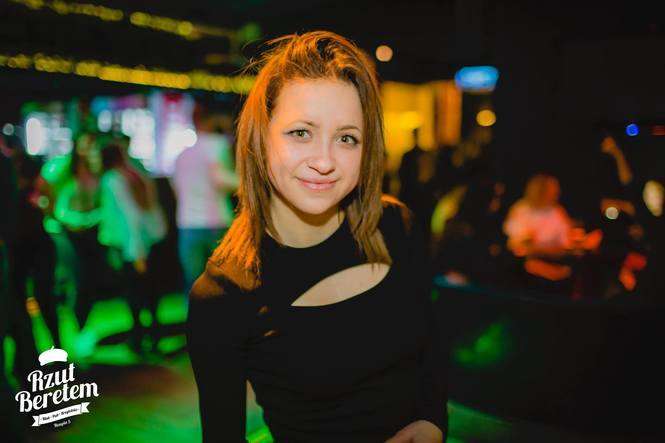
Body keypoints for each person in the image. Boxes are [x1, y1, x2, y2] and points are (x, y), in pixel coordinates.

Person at [186, 31, 448, 443]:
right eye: (301, 133)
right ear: (260, 138)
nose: (325, 161)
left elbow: (431, 344)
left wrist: (432, 421)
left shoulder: (397, 227)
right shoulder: (223, 295)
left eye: (346, 138)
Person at [98, 143, 167, 355]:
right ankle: (153, 336)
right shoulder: (136, 174)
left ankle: (138, 340)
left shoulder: (112, 179)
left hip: (131, 246)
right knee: (150, 292)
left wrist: (136, 252)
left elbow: (130, 216)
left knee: (134, 294)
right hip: (149, 242)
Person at [172, 106, 239, 303]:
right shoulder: (217, 144)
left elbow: (176, 190)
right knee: (223, 284)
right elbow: (221, 179)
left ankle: (194, 321)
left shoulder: (181, 155)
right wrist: (250, 184)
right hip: (216, 222)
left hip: (187, 223)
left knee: (193, 283)